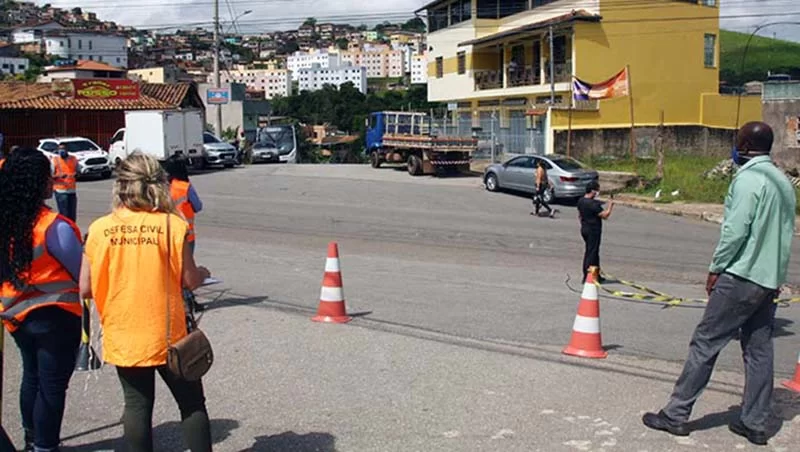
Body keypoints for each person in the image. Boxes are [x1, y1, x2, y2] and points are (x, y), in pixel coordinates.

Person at [642, 122, 796, 446]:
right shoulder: (783, 183)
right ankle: (755, 422)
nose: (736, 146)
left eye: (738, 141)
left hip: (740, 277)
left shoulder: (748, 180)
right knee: (759, 350)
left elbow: (735, 232)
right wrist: (777, 279)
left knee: (705, 343)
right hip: (768, 281)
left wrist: (716, 269)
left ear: (745, 144)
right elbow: (784, 236)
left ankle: (676, 414)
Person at [79, 152, 213, 452]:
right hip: (168, 335)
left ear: (121, 186)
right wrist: (202, 273)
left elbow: (85, 288)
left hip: (123, 333)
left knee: (137, 407)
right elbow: (190, 280)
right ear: (158, 185)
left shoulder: (99, 229)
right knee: (191, 404)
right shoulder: (171, 226)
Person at [0, 148, 83, 452]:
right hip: (55, 317)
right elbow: (80, 272)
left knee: (31, 377)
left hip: (16, 317)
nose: (53, 180)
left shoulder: (7, 223)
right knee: (51, 387)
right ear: (35, 182)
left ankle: (31, 437)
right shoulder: (53, 226)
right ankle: (45, 446)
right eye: (47, 175)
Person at [166, 157, 205, 312]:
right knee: (186, 269)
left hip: (166, 233)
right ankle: (188, 301)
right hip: (186, 235)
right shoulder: (185, 187)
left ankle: (180, 300)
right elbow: (198, 206)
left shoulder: (163, 187)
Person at [577, 180, 613, 283]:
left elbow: (579, 215)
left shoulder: (581, 201)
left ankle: (596, 274)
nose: (598, 192)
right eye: (597, 190)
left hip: (585, 229)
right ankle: (587, 276)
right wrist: (611, 205)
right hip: (593, 231)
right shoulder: (593, 204)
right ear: (593, 191)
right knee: (591, 253)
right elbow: (605, 215)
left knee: (594, 252)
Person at [52, 144, 78, 222]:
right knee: (64, 215)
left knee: (72, 216)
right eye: (60, 149)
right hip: (60, 191)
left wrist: (76, 174)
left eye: (63, 149)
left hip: (72, 191)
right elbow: (50, 175)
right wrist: (59, 176)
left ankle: (72, 230)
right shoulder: (55, 160)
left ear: (67, 150)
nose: (62, 151)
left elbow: (78, 171)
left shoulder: (73, 159)